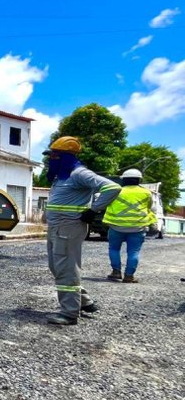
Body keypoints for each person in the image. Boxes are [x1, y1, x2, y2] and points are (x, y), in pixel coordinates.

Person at [43, 136, 121, 326]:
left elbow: (113, 187)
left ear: (64, 156)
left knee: (66, 268)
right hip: (57, 227)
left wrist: (93, 209)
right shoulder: (63, 176)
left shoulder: (79, 173)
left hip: (68, 227)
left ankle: (69, 313)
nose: (49, 159)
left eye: (53, 155)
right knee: (57, 266)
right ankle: (85, 302)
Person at [103, 168, 157, 283]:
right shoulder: (146, 192)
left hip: (116, 226)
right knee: (133, 252)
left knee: (114, 249)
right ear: (139, 180)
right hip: (137, 228)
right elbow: (150, 206)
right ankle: (129, 276)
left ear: (123, 180)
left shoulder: (116, 191)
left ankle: (116, 272)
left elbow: (105, 203)